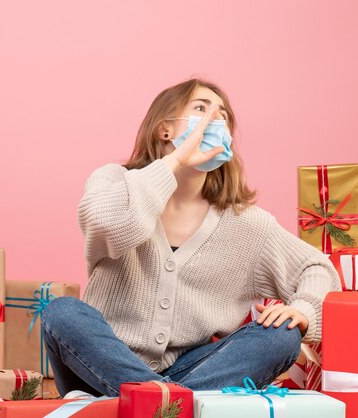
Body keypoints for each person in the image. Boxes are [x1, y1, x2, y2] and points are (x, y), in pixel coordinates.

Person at [41, 78, 341, 398]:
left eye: (223, 116)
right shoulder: (115, 181)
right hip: (99, 367)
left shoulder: (246, 224)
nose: (215, 120)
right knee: (63, 312)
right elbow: (108, 224)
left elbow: (317, 267)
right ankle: (173, 404)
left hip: (193, 370)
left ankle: (159, 403)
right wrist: (175, 162)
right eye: (201, 109)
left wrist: (304, 310)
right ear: (165, 129)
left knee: (281, 336)